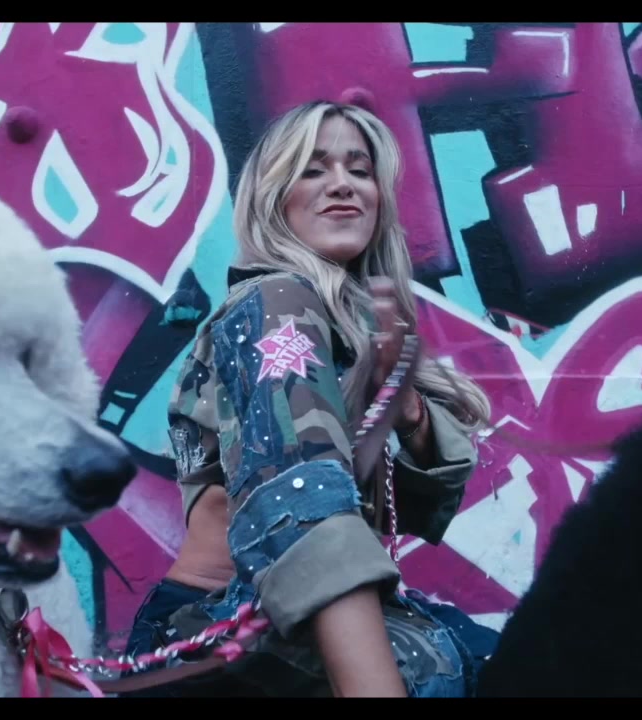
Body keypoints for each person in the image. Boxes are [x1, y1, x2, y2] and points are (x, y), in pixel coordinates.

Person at [121, 100, 499, 698]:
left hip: (269, 628)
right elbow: (300, 510)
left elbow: (406, 509)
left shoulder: (341, 325)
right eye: (314, 169)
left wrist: (406, 410)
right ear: (273, 198)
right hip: (229, 632)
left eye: (360, 169)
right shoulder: (275, 303)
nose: (343, 184)